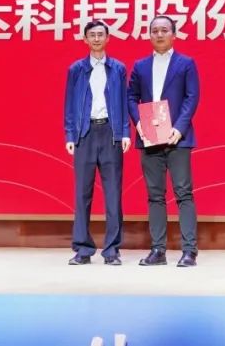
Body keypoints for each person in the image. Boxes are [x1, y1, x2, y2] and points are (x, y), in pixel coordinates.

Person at [127, 15, 201, 267]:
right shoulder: (140, 66)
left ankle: (189, 251)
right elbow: (131, 96)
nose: (159, 34)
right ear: (149, 35)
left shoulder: (186, 63)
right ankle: (158, 250)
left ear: (174, 34)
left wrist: (179, 128)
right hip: (149, 138)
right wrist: (138, 123)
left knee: (184, 193)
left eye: (164, 30)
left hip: (178, 138)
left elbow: (192, 97)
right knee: (155, 196)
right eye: (155, 30)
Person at [63, 20, 130, 265]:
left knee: (113, 194)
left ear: (108, 38)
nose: (97, 39)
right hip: (85, 133)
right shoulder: (76, 69)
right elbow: (69, 104)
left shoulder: (118, 68)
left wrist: (125, 132)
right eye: (92, 35)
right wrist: (70, 135)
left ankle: (112, 250)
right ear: (85, 39)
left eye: (101, 34)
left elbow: (123, 101)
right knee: (82, 194)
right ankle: (83, 249)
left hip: (110, 133)